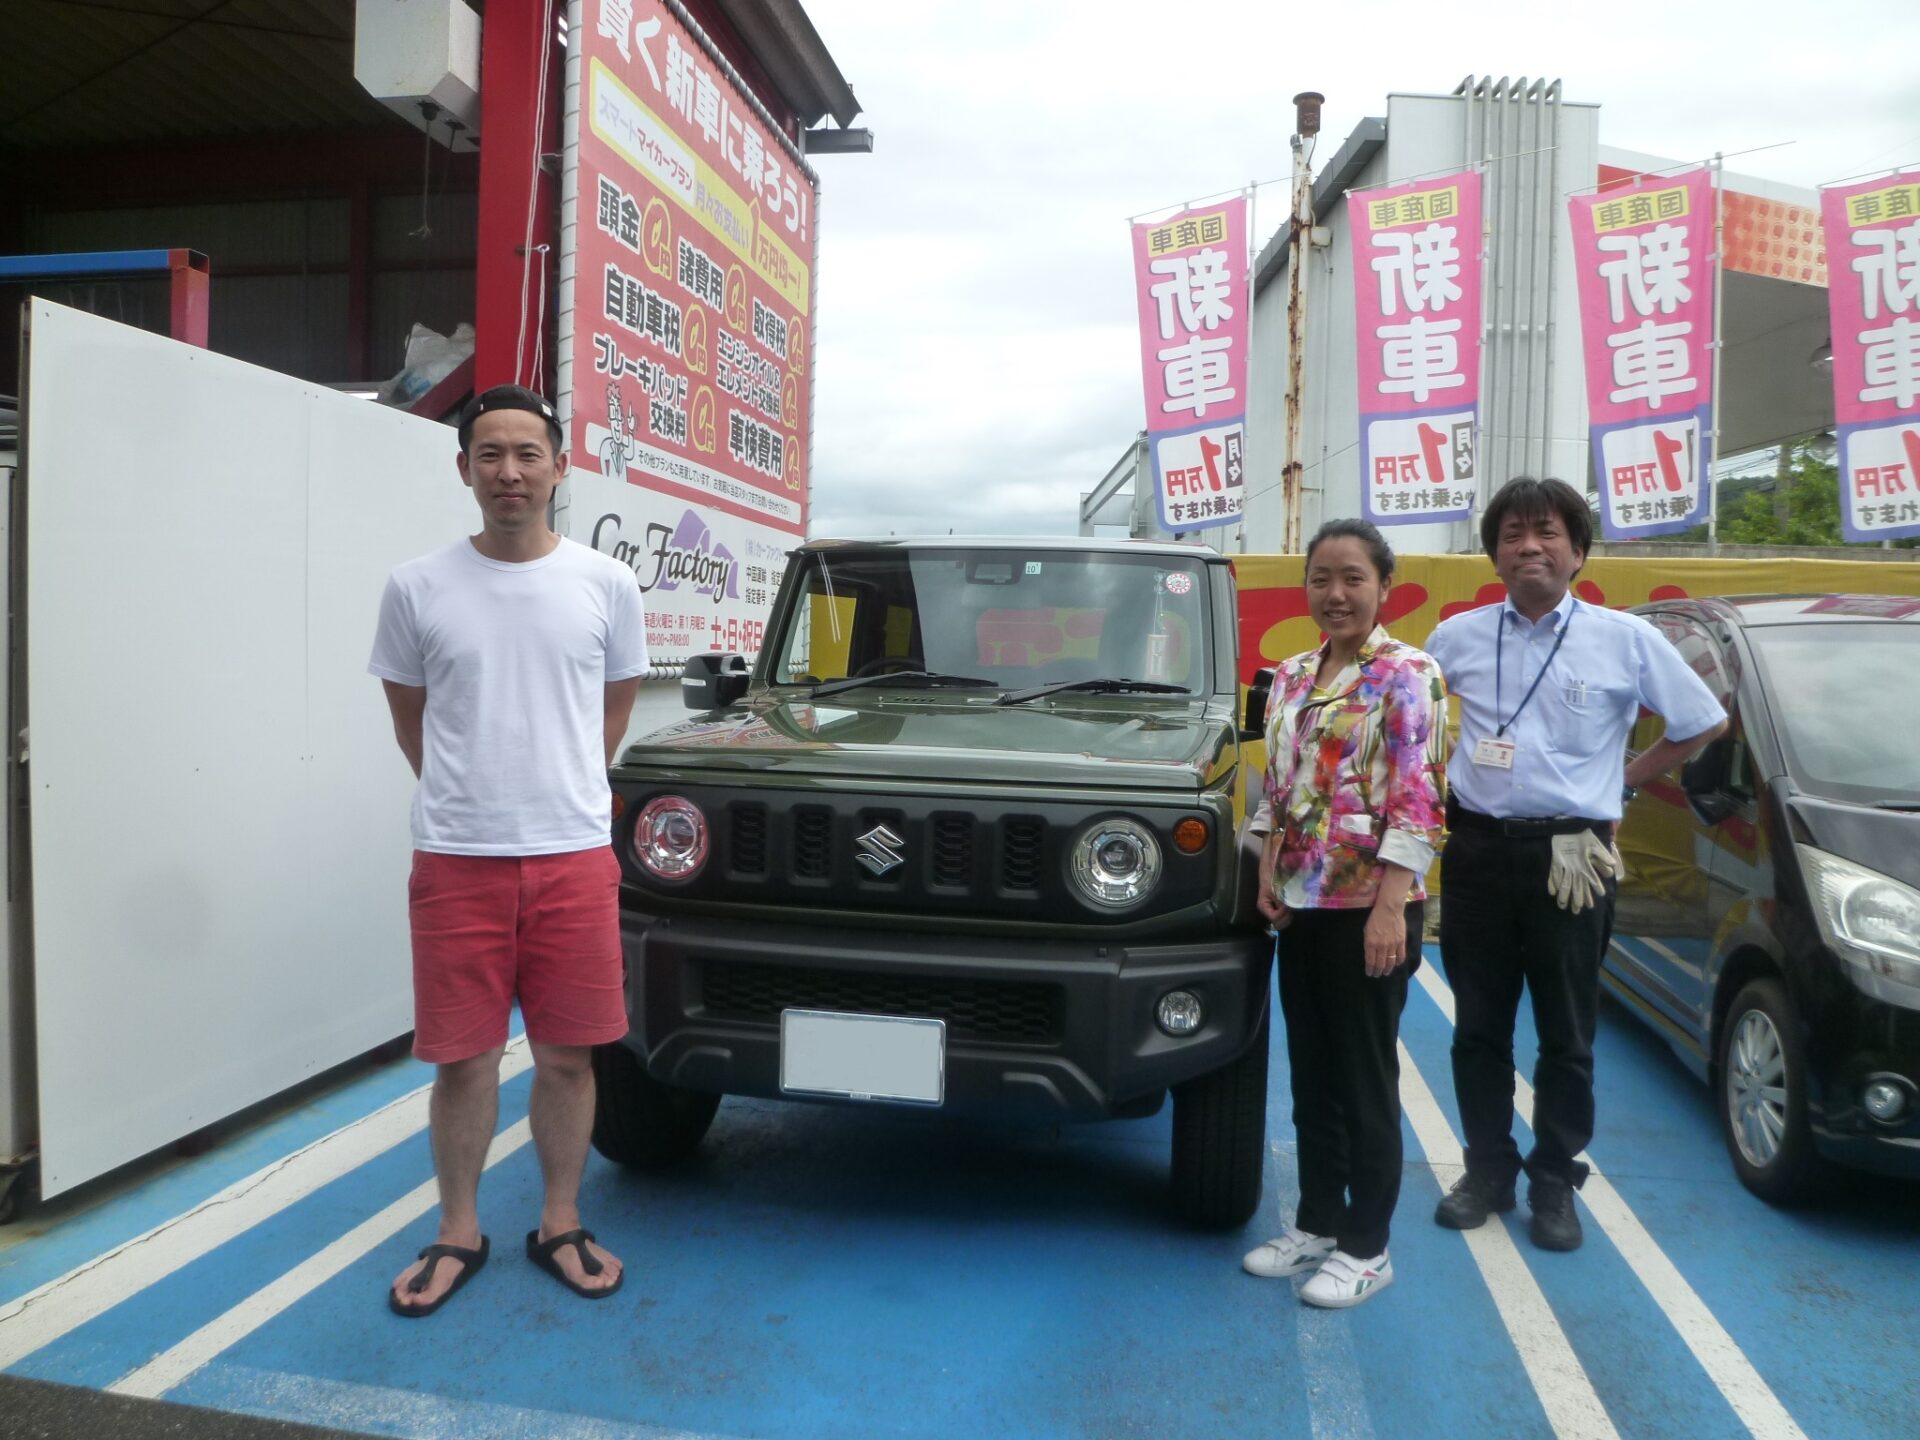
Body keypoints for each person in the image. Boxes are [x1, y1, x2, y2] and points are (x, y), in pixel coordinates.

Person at [369, 384, 649, 1316]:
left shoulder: (605, 584)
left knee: (570, 1059)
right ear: (464, 470)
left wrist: (560, 786)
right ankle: (458, 1229)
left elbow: (610, 709)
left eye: (528, 453)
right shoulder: (417, 585)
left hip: (573, 853)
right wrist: (475, 794)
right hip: (457, 857)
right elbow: (412, 722)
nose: (509, 471)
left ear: (560, 467)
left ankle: (559, 1220)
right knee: (464, 1062)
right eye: (489, 454)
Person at [1423, 477, 1726, 1252]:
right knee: (1478, 1026)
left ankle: (1554, 1178)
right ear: (1493, 553)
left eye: (1549, 532)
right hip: (1480, 851)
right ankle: (1488, 1168)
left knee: (1568, 1032)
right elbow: (1411, 720)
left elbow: (1700, 721)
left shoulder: (1624, 640)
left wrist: (1620, 781)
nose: (1532, 546)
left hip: (1574, 856)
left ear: (1579, 550)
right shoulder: (1454, 639)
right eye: (1515, 533)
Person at [1241, 519, 1449, 1308]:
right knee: (1314, 1073)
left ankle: (1369, 1244)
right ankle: (1319, 1222)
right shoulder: (1293, 674)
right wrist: (1267, 867)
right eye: (1322, 578)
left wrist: (1392, 908)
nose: (1336, 594)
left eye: (1353, 578)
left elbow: (1420, 799)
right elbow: (1283, 785)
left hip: (1370, 905)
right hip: (1301, 899)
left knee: (1364, 1077)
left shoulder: (1408, 673)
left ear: (1382, 586)